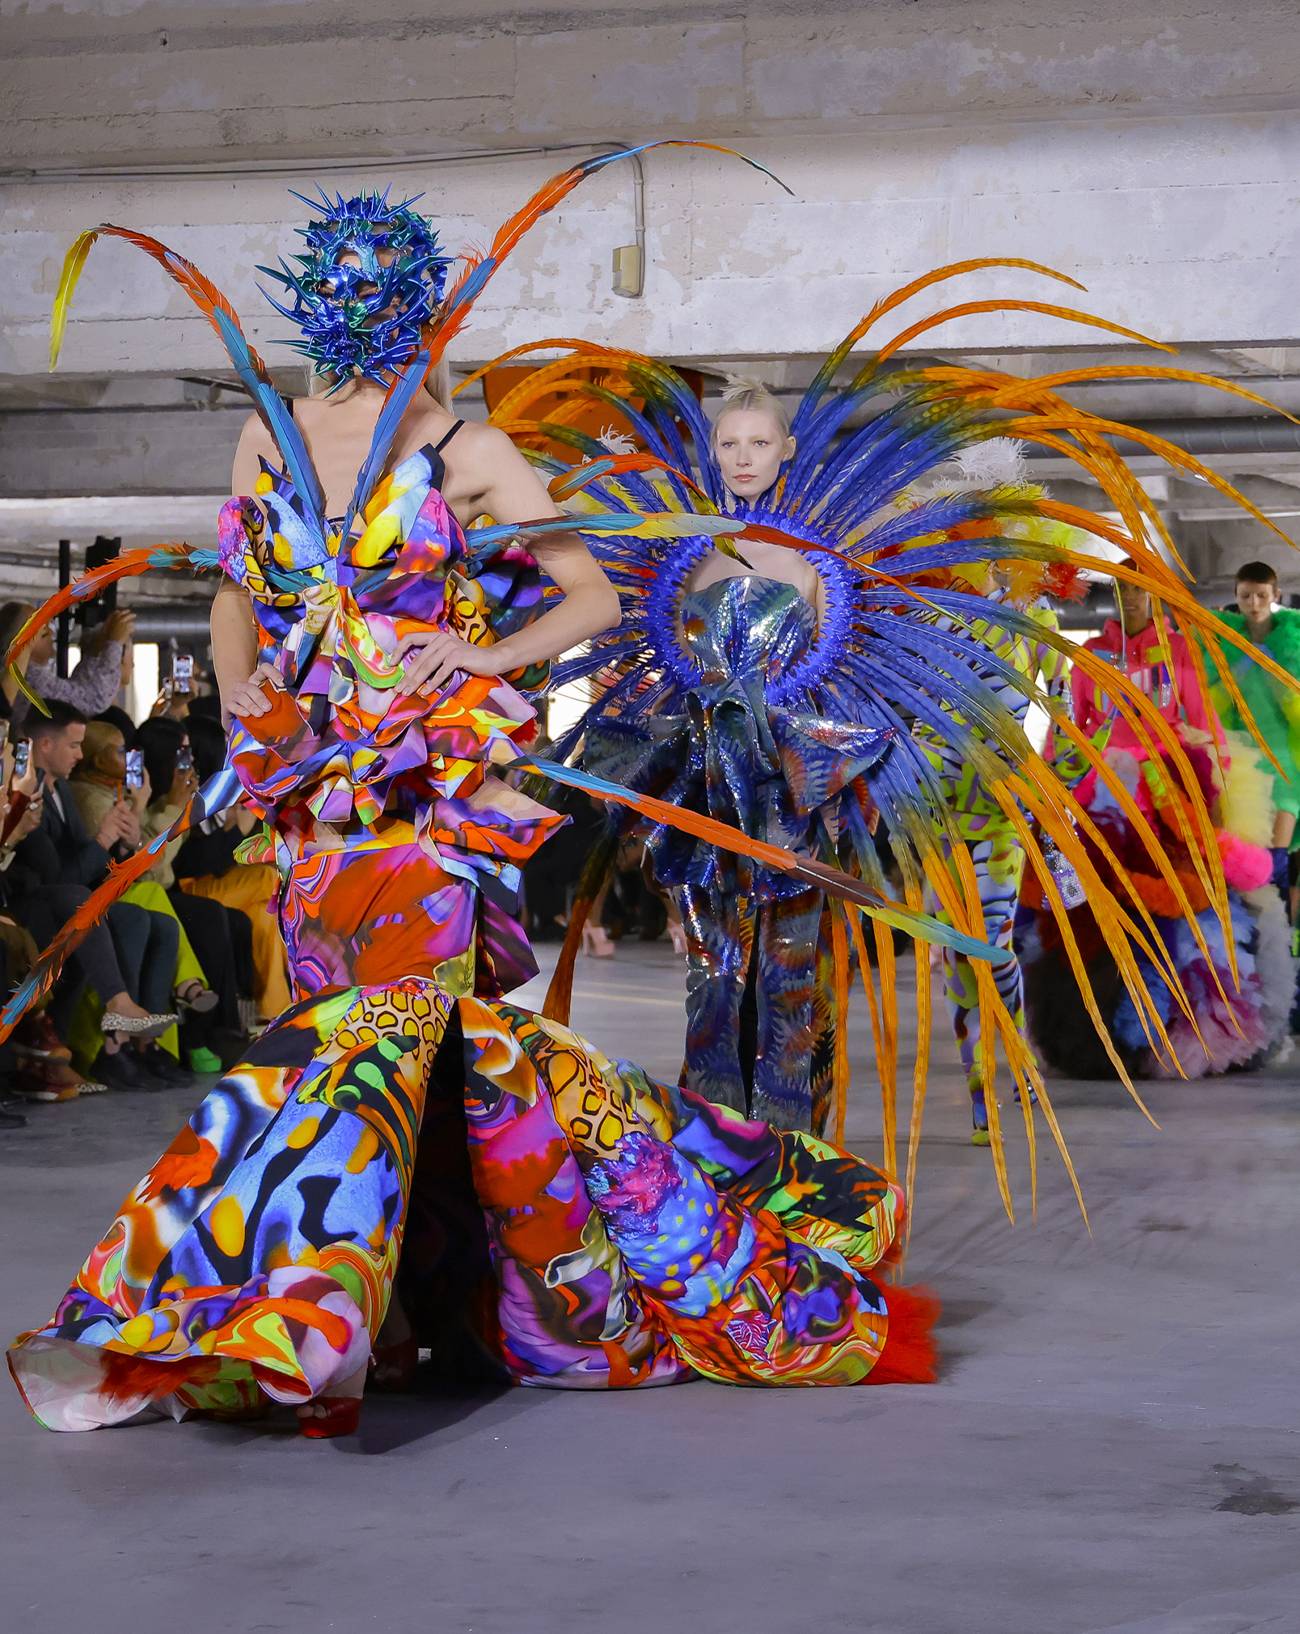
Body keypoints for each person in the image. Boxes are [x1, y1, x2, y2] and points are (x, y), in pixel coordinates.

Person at [6, 158, 940, 1439]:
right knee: (339, 1048)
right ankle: (389, 1305)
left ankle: (355, 1314)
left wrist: (482, 657)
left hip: (435, 808)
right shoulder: (263, 430)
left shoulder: (466, 446)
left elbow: (593, 595)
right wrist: (250, 723)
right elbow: (235, 597)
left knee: (405, 1042)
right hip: (319, 809)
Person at [481, 267, 1294, 1167]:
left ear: (784, 453)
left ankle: (792, 1173)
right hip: (707, 815)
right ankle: (714, 1168)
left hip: (797, 810)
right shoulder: (686, 565)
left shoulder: (818, 569)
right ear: (713, 453)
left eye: (759, 443)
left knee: (793, 986)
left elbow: (849, 698)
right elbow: (659, 694)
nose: (743, 457)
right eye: (729, 443)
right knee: (712, 984)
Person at [1020, 572, 1294, 1077]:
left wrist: (1215, 783)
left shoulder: (1179, 650)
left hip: (1169, 785)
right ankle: (1092, 1023)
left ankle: (1181, 1025)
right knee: (1085, 902)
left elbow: (1202, 718)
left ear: (1151, 596)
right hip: (1104, 792)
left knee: (1187, 904)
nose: (1131, 599)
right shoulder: (1090, 656)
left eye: (1138, 590)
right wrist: (1055, 779)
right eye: (1122, 590)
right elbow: (1073, 725)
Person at [8, 699, 184, 1092]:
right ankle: (117, 1011)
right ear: (45, 745)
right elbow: (57, 876)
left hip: (63, 900)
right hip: (27, 905)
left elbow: (84, 867)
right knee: (82, 906)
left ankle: (129, 1042)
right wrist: (102, 838)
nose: (79, 755)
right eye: (73, 745)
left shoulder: (60, 791)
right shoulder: (27, 792)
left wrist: (120, 842)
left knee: (148, 921)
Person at [1209, 562, 1300, 869]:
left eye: (1261, 595)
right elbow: (1213, 704)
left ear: (1275, 594)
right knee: (1246, 861)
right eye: (1246, 596)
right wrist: (1240, 666)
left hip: (1287, 759)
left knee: (1278, 859)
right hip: (1243, 759)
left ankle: (1282, 916)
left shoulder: (1294, 641)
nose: (1254, 604)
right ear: (1236, 595)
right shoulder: (1222, 644)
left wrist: (1273, 668)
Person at [6, 603, 134, 729]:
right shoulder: (30, 678)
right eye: (43, 634)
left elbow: (78, 690)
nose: (51, 633)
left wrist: (97, 649)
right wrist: (114, 644)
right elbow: (91, 702)